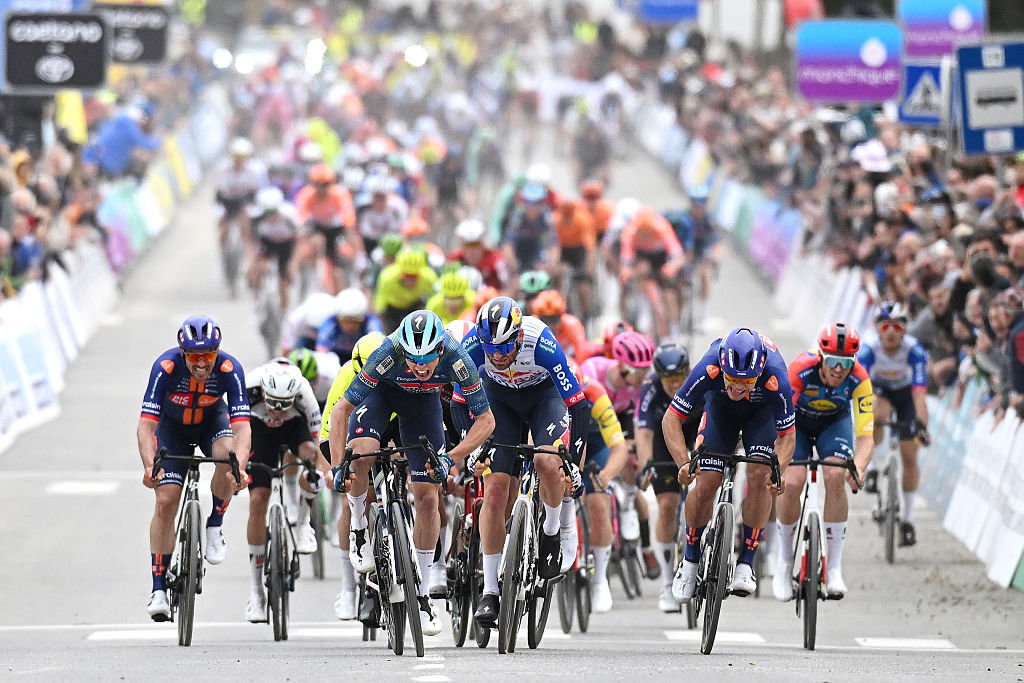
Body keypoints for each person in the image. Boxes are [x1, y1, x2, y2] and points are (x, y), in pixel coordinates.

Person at [327, 311, 495, 635]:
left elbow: (485, 421)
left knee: (428, 498)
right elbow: (341, 410)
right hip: (381, 397)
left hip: (423, 407)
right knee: (360, 455)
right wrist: (337, 466)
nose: (420, 367)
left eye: (427, 360)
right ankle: (360, 529)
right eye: (413, 359)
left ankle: (421, 595)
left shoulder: (457, 357)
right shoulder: (389, 352)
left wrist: (451, 458)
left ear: (440, 351)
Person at [459, 296, 589, 626]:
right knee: (496, 488)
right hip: (498, 402)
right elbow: (459, 405)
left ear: (518, 337)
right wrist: (472, 447)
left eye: (505, 347)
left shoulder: (542, 342)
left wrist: (571, 461)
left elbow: (579, 406)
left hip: (544, 398)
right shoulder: (472, 345)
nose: (498, 355)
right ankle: (490, 591)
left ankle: (549, 531)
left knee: (548, 463)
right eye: (491, 349)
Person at [665, 327, 795, 600]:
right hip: (719, 411)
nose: (737, 387)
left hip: (760, 415)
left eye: (747, 382)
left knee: (761, 476)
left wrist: (779, 469)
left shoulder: (776, 374)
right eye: (732, 379)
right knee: (707, 481)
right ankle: (689, 560)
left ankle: (746, 562)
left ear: (760, 373)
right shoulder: (709, 365)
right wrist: (683, 463)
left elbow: (788, 436)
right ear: (722, 367)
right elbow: (671, 418)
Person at [138, 316, 251, 621]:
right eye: (195, 357)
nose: (202, 364)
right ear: (183, 353)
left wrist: (239, 467)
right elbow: (146, 426)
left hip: (210, 424)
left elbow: (242, 429)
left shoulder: (230, 370)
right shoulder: (165, 368)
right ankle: (158, 589)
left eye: (209, 355)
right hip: (171, 431)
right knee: (165, 501)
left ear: (218, 352)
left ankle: (215, 523)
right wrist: (150, 466)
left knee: (227, 457)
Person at [776, 323, 873, 601]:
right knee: (792, 481)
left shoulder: (860, 379)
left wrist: (859, 467)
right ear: (820, 356)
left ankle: (834, 567)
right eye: (833, 361)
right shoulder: (800, 369)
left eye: (845, 363)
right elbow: (779, 426)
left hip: (834, 424)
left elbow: (866, 438)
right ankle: (784, 561)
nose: (839, 369)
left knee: (835, 475)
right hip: (797, 425)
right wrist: (779, 463)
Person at [580, 331, 657, 606]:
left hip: (615, 424)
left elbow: (639, 422)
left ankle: (627, 507)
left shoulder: (642, 385)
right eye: (638, 371)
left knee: (627, 466)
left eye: (647, 370)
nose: (643, 376)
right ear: (621, 366)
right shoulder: (593, 371)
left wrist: (635, 448)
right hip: (586, 422)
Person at [243, 361, 324, 621]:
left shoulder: (303, 393)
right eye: (273, 402)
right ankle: (256, 592)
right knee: (258, 499)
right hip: (258, 431)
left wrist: (318, 472)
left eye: (284, 403)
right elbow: (235, 432)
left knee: (311, 460)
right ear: (263, 392)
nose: (278, 410)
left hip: (294, 428)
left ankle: (302, 523)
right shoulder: (249, 387)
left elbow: (318, 438)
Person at [319, 332, 386, 621]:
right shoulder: (346, 376)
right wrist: (337, 469)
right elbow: (329, 432)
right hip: (351, 433)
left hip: (387, 430)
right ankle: (348, 588)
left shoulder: (397, 371)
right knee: (352, 498)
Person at [857, 302, 930, 547]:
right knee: (878, 412)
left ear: (904, 330)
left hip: (907, 394)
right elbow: (863, 395)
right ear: (877, 328)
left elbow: (920, 394)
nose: (891, 331)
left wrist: (921, 425)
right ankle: (875, 466)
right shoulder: (869, 350)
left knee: (910, 455)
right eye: (885, 326)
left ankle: (908, 521)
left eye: (897, 326)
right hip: (880, 392)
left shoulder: (915, 351)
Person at [635, 342, 700, 612]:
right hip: (664, 439)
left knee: (704, 491)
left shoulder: (697, 382)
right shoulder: (650, 387)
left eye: (680, 379)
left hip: (697, 432)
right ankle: (666, 584)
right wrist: (646, 464)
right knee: (668, 505)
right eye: (669, 380)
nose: (675, 385)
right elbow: (644, 432)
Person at [293, 163, 358, 294]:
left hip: (335, 228)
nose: (321, 188)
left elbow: (349, 221)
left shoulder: (340, 194)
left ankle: (345, 277)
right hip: (317, 226)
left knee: (340, 265)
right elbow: (301, 219)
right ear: (312, 183)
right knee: (314, 242)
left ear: (331, 183)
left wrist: (355, 250)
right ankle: (310, 272)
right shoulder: (306, 194)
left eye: (325, 184)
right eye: (317, 184)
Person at [249, 186, 300, 311]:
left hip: (286, 246)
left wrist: (293, 262)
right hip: (267, 244)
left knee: (284, 282)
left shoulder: (290, 217)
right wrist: (252, 261)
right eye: (267, 213)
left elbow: (299, 241)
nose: (271, 217)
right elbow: (251, 240)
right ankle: (257, 300)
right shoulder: (256, 219)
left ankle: (283, 313)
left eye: (274, 212)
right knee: (258, 270)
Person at [213, 138, 265, 251]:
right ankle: (224, 252)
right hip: (226, 200)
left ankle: (248, 251)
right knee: (223, 227)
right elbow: (219, 189)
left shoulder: (254, 170)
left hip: (244, 199)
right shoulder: (222, 168)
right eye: (236, 157)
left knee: (246, 224)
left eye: (242, 158)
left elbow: (255, 190)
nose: (239, 160)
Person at [374, 248, 438, 332]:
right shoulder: (387, 278)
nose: (410, 281)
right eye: (407, 276)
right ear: (400, 272)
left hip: (413, 306)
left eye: (414, 276)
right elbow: (380, 306)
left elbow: (434, 301)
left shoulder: (429, 278)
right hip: (392, 308)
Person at [316, 288, 383, 364]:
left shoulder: (372, 323)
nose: (350, 326)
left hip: (362, 359)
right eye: (346, 321)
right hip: (336, 359)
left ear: (363, 319)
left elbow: (379, 351)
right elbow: (321, 353)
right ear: (338, 318)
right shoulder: (330, 323)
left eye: (355, 322)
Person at [530, 289, 601, 360]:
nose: (550, 325)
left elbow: (581, 352)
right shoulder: (531, 326)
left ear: (561, 316)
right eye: (545, 320)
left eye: (554, 320)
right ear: (538, 317)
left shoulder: (572, 325)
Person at [448, 218, 510, 291]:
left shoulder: (495, 259)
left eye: (476, 244)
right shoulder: (454, 260)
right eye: (468, 246)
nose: (472, 251)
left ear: (483, 244)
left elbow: (507, 287)